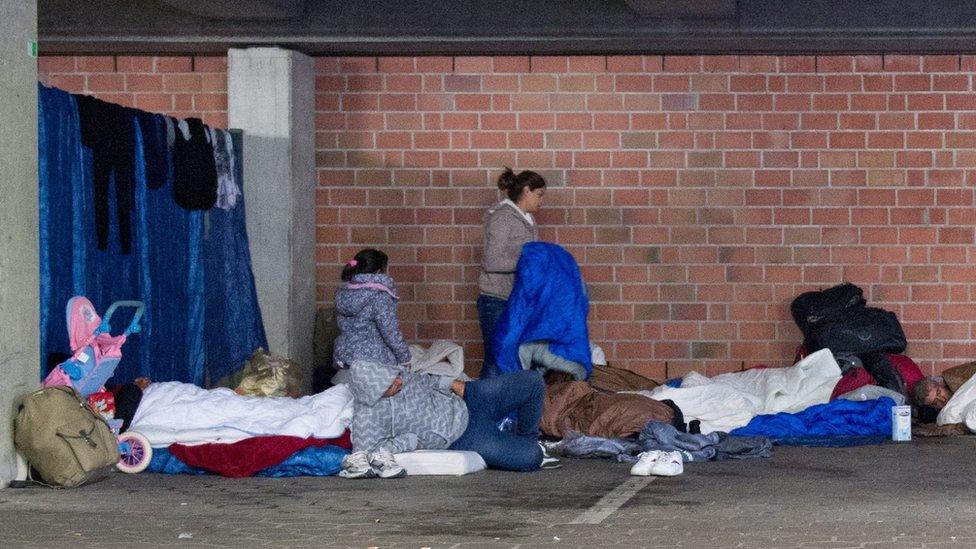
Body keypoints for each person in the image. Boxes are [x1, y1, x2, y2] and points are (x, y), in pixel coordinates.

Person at [339, 361, 560, 479]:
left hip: (469, 399)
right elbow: (368, 452)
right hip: (463, 435)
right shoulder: (367, 419)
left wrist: (455, 385)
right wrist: (409, 441)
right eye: (391, 385)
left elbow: (423, 379)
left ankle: (527, 437)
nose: (399, 382)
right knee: (532, 458)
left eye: (395, 378)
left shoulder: (391, 376)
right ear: (374, 391)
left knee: (532, 381)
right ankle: (527, 446)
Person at [478, 168, 547, 378]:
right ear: (527, 190)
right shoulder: (502, 218)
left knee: (521, 359)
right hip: (497, 300)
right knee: (496, 359)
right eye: (539, 195)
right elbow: (492, 261)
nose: (541, 201)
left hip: (517, 301)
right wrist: (527, 262)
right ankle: (480, 408)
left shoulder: (526, 219)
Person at [333, 249, 411, 371]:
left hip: (344, 357)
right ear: (379, 271)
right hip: (373, 360)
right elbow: (390, 331)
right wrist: (405, 359)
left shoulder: (343, 292)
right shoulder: (379, 295)